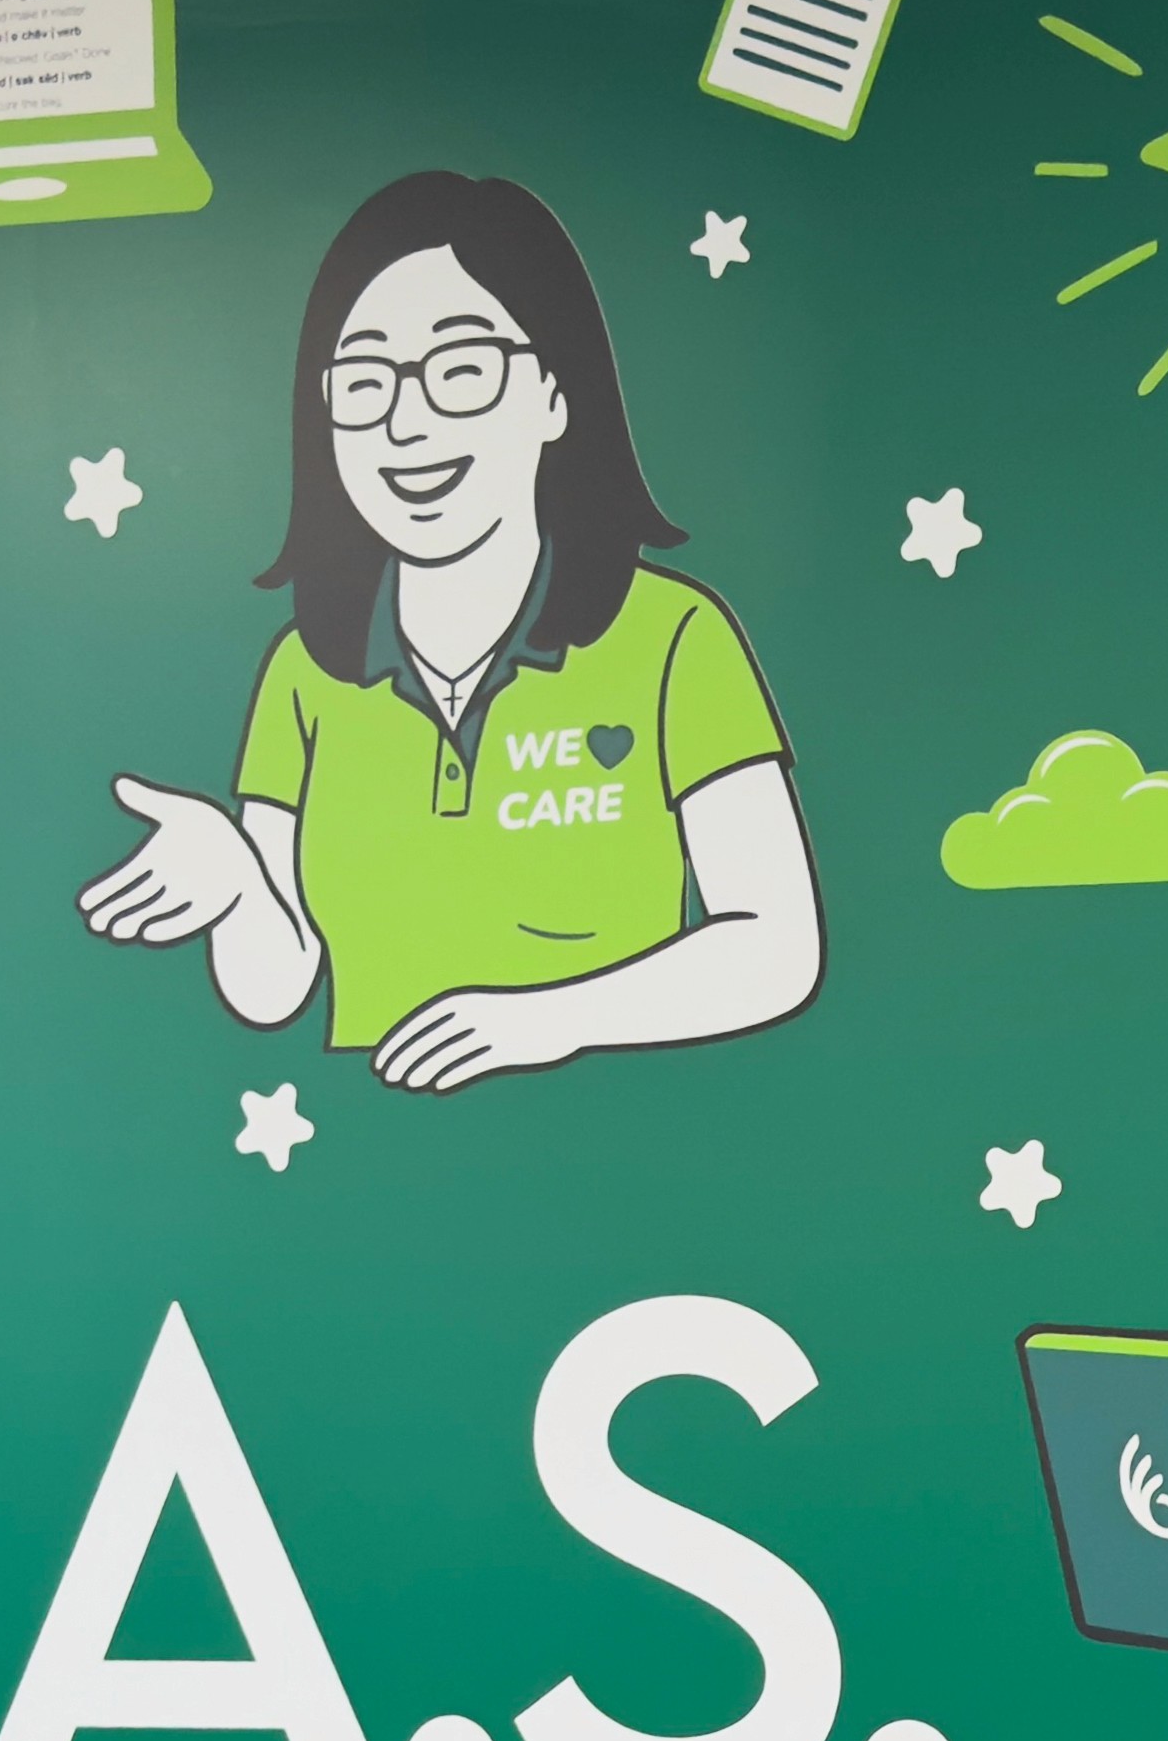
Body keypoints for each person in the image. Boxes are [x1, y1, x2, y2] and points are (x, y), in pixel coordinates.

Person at [75, 170, 820, 1092]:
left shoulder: (674, 635)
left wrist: (547, 1021)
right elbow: (274, 990)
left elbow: (777, 947)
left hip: (622, 1142)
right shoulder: (308, 667)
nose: (405, 424)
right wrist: (234, 885)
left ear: (554, 392)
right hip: (368, 1151)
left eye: (460, 371)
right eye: (362, 383)